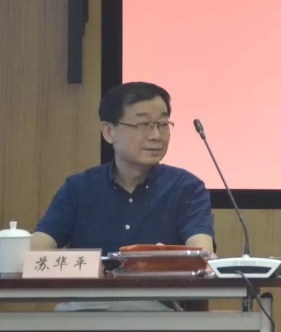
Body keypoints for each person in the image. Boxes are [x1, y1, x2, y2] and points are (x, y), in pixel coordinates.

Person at [32, 82, 215, 255]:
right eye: (143, 125)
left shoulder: (187, 188)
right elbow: (36, 251)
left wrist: (170, 259)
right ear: (109, 132)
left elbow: (201, 253)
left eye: (163, 124)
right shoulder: (78, 188)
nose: (156, 136)